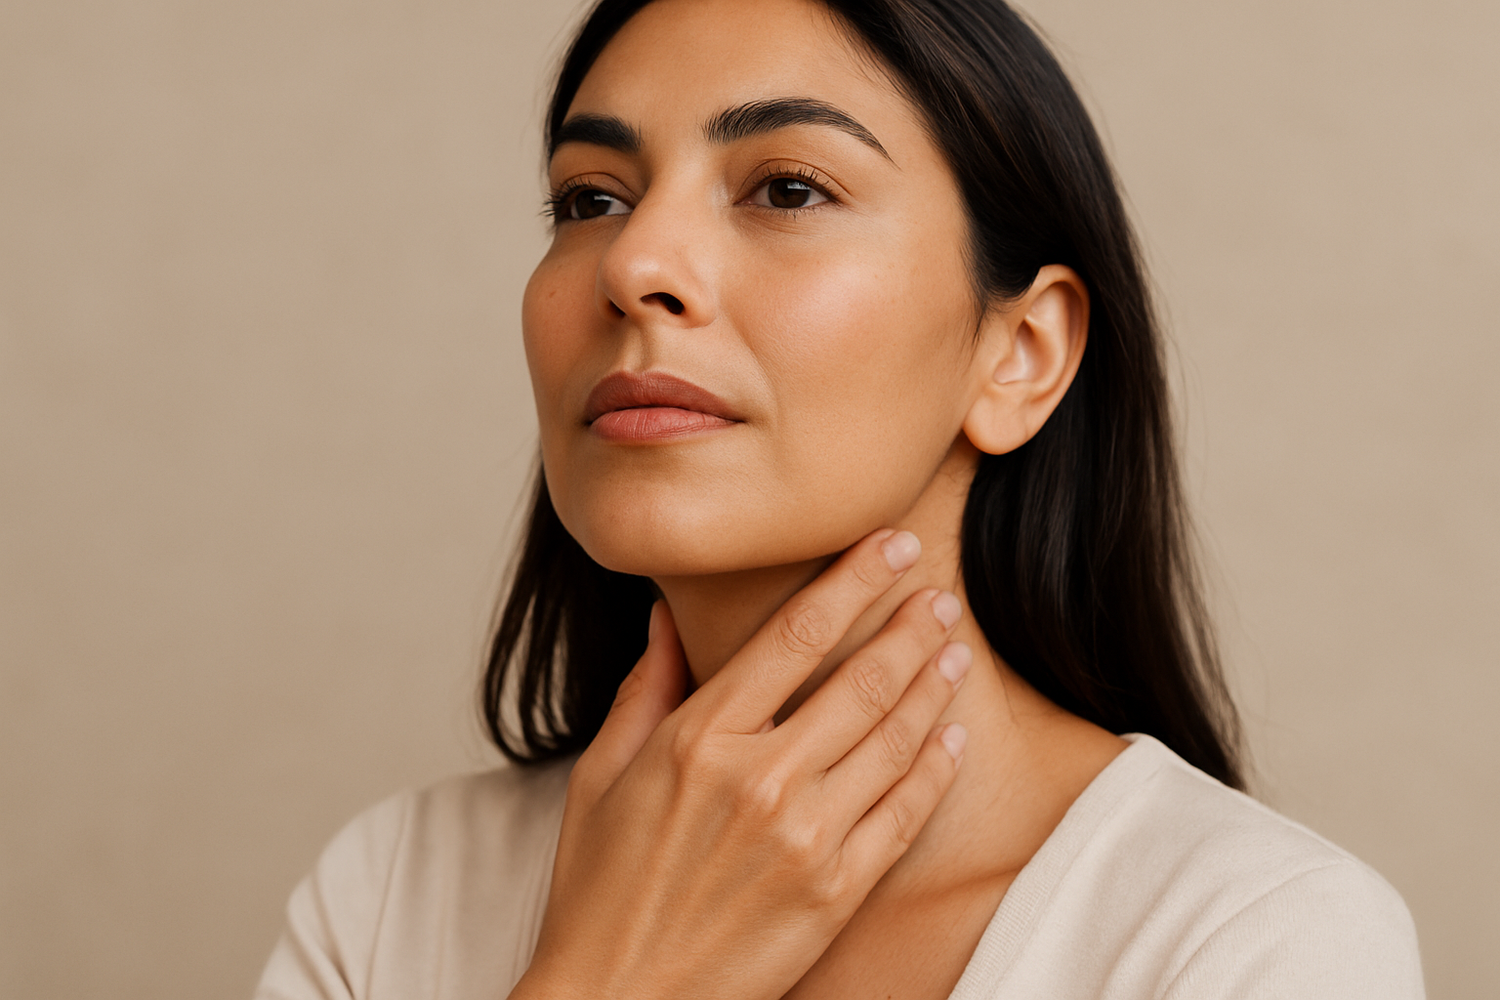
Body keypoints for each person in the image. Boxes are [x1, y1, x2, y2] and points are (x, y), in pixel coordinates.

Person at [254, 0, 1425, 997]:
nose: (632, 263)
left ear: (1020, 351)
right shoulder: (391, 891)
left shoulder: (1250, 941)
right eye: (590, 200)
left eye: (789, 189)